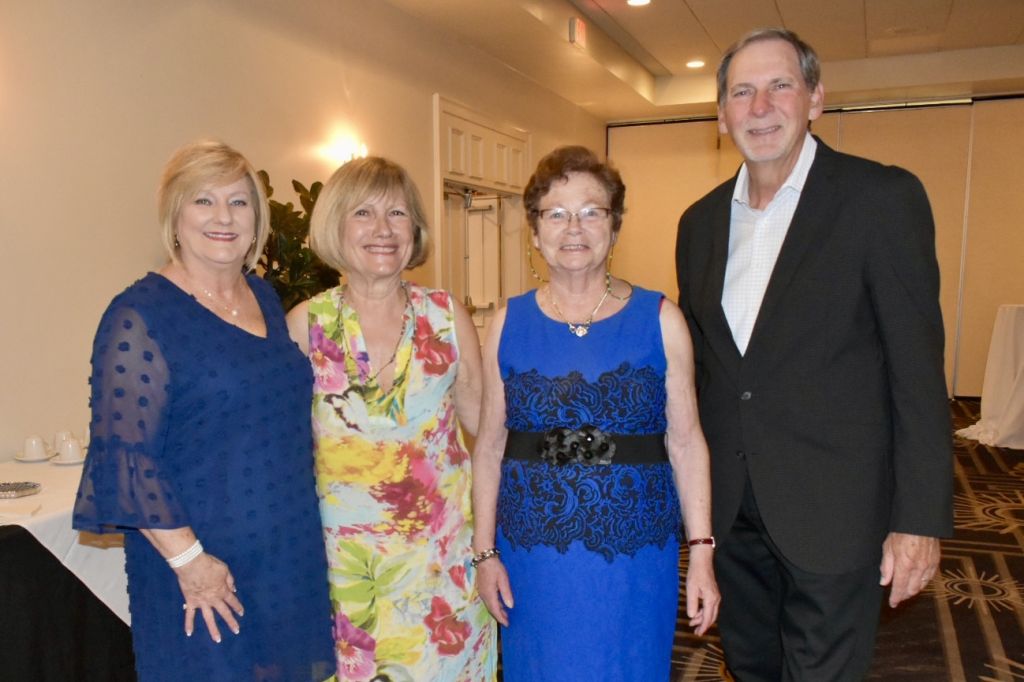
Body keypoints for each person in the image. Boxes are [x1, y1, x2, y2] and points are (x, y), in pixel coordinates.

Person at [675, 28, 954, 680]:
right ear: (721, 115)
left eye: (780, 86)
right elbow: (708, 371)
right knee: (751, 667)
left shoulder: (880, 199)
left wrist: (918, 521)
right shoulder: (699, 223)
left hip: (837, 511)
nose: (760, 107)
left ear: (815, 99)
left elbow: (917, 371)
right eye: (741, 92)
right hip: (733, 512)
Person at [73, 139, 335, 681]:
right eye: (204, 201)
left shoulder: (264, 298)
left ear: (257, 219)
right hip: (202, 568)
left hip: (285, 556)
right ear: (175, 214)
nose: (223, 217)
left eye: (239, 202)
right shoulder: (139, 315)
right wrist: (191, 564)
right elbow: (126, 459)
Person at [472, 145, 719, 681]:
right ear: (534, 231)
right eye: (556, 214)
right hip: (535, 555)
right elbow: (489, 447)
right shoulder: (506, 323)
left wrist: (702, 551)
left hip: (633, 554)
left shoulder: (661, 319)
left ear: (615, 225)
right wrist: (484, 552)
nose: (574, 228)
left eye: (591, 211)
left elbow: (685, 442)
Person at [285, 156, 496, 681]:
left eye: (397, 213)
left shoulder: (447, 317)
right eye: (364, 213)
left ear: (415, 229)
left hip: (442, 571)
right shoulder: (305, 325)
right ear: (335, 225)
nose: (383, 229)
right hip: (346, 578)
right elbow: (280, 455)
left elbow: (489, 433)